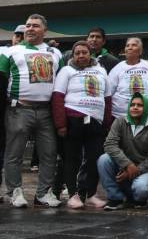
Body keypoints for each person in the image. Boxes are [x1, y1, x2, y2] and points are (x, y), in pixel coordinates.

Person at [0, 14, 64, 208]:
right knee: (14, 154)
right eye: (27, 26)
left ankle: (43, 193)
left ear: (44, 30)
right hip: (18, 109)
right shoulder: (10, 51)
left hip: (46, 111)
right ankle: (14, 191)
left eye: (35, 25)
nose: (30, 29)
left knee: (49, 153)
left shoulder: (55, 53)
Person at [52, 40, 109, 209]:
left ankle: (90, 194)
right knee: (72, 158)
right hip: (73, 119)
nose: (81, 56)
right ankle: (74, 194)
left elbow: (108, 97)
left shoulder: (100, 70)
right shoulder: (66, 70)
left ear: (90, 54)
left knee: (95, 158)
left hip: (96, 121)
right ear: (73, 55)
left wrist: (106, 122)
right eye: (77, 53)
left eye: (84, 52)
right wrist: (61, 124)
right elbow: (57, 97)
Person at [97, 93, 148, 209]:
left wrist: (134, 170)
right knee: (104, 159)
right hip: (123, 166)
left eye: (140, 105)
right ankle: (115, 198)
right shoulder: (120, 122)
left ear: (146, 108)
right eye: (132, 104)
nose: (135, 107)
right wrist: (128, 165)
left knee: (142, 189)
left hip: (144, 169)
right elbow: (109, 144)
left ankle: (136, 199)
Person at [0, 24, 25, 204]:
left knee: (7, 152)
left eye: (23, 36)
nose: (19, 38)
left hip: (18, 110)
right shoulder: (1, 53)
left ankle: (3, 188)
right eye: (17, 35)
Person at [106, 37, 148, 119]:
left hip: (145, 117)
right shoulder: (117, 69)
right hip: (120, 117)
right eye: (127, 46)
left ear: (140, 51)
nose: (130, 48)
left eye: (134, 45)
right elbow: (108, 93)